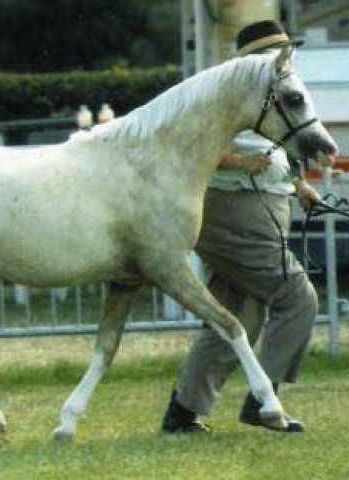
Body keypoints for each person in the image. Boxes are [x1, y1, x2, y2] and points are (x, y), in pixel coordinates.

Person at [161, 20, 331, 434]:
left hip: (263, 204)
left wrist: (299, 186)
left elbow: (279, 146)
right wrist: (237, 162)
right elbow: (183, 147)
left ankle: (184, 411)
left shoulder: (268, 92)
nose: (281, 60)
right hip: (232, 206)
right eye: (275, 53)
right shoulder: (221, 95)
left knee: (239, 314)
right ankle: (264, 400)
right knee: (298, 297)